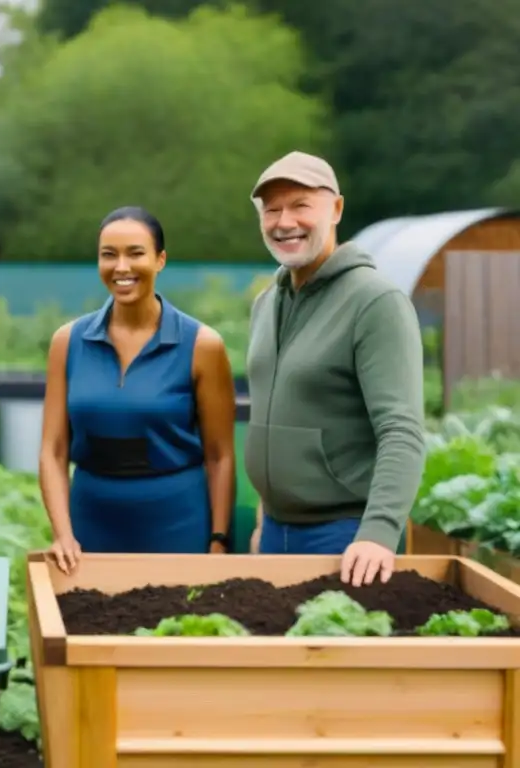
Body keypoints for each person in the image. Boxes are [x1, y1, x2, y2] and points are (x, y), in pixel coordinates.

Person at [244, 151, 425, 586]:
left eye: (300, 205)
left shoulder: (375, 302)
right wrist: (265, 514)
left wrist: (379, 533)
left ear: (336, 209)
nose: (284, 221)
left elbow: (402, 430)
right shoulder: (266, 304)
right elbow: (275, 417)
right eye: (272, 209)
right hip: (274, 533)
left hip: (346, 538)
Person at [39, 206, 236, 574]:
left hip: (177, 525)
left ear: (160, 260)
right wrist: (63, 534)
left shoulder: (202, 346)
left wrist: (219, 540)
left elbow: (220, 455)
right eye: (108, 255)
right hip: (91, 525)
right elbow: (53, 450)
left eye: (136, 253)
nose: (121, 267)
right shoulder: (68, 342)